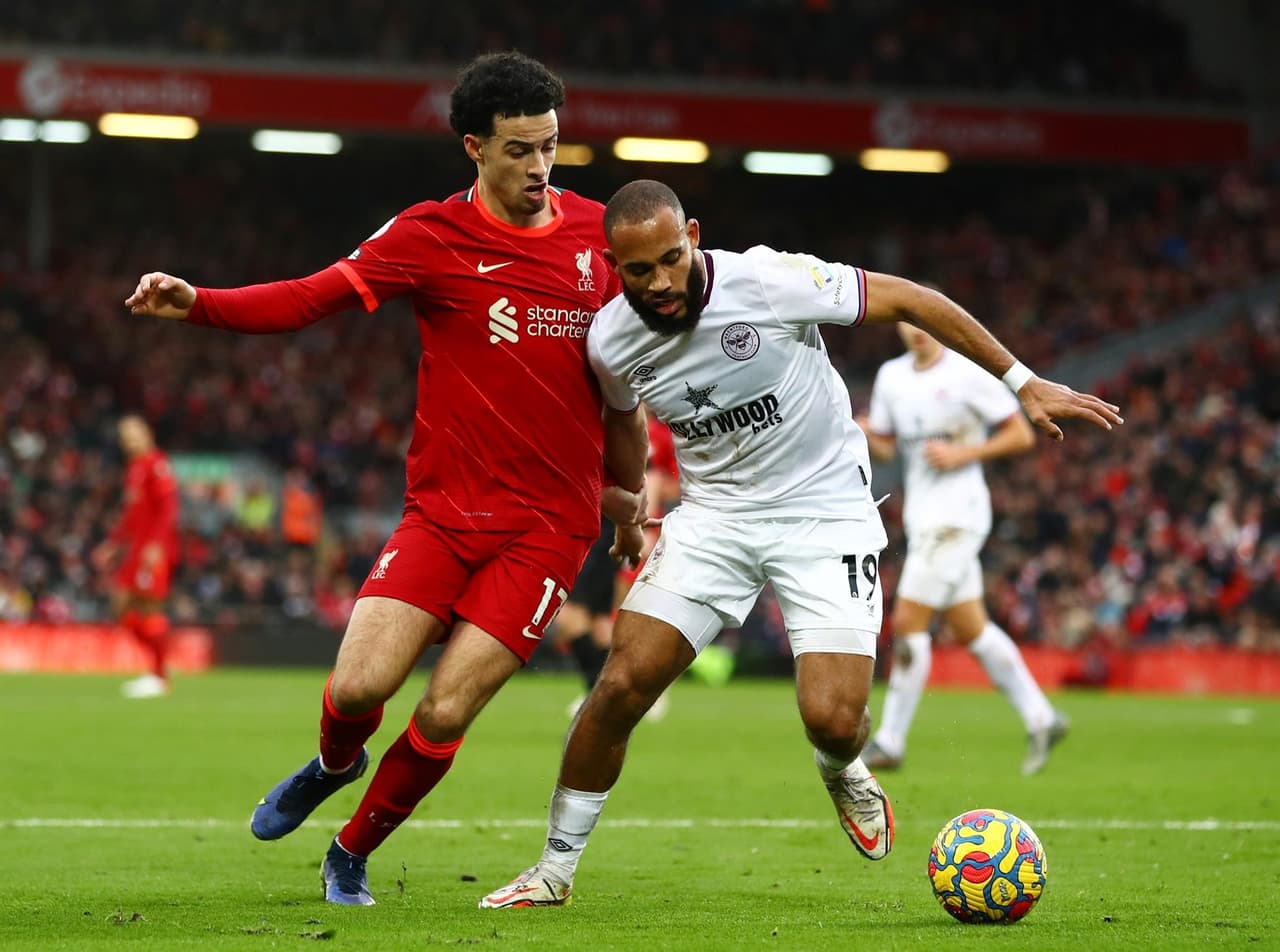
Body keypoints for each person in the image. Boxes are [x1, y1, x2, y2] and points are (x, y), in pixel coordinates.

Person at [480, 179, 1123, 908]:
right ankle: (555, 869)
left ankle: (843, 766)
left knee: (832, 717)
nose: (660, 282)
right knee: (621, 685)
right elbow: (625, 421)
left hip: (825, 510)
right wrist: (630, 511)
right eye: (638, 271)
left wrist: (1021, 380)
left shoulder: (767, 280)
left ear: (693, 234)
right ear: (612, 263)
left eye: (671, 258)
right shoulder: (610, 340)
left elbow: (912, 298)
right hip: (715, 517)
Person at [124, 52, 649, 906]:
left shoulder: (599, 235)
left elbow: (623, 390)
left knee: (444, 712)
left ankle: (350, 851)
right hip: (441, 514)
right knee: (360, 685)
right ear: (473, 148)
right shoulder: (429, 237)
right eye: (519, 150)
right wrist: (202, 302)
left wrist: (628, 499)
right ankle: (335, 762)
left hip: (549, 527)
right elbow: (307, 296)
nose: (540, 169)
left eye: (551, 147)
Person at [857, 324, 1070, 776]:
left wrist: (963, 455)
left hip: (958, 517)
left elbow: (1021, 435)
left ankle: (891, 740)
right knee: (972, 628)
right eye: (906, 324)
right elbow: (889, 450)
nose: (916, 332)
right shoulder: (892, 378)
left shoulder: (968, 374)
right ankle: (1042, 717)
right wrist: (863, 432)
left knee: (909, 622)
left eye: (923, 323)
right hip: (923, 518)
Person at [92, 415, 180, 699]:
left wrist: (156, 545)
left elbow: (169, 508)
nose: (129, 440)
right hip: (137, 550)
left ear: (147, 433)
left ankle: (160, 675)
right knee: (121, 607)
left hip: (153, 550)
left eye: (133, 434)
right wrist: (113, 544)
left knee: (149, 608)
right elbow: (132, 516)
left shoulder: (157, 464)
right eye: (124, 436)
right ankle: (157, 667)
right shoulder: (135, 468)